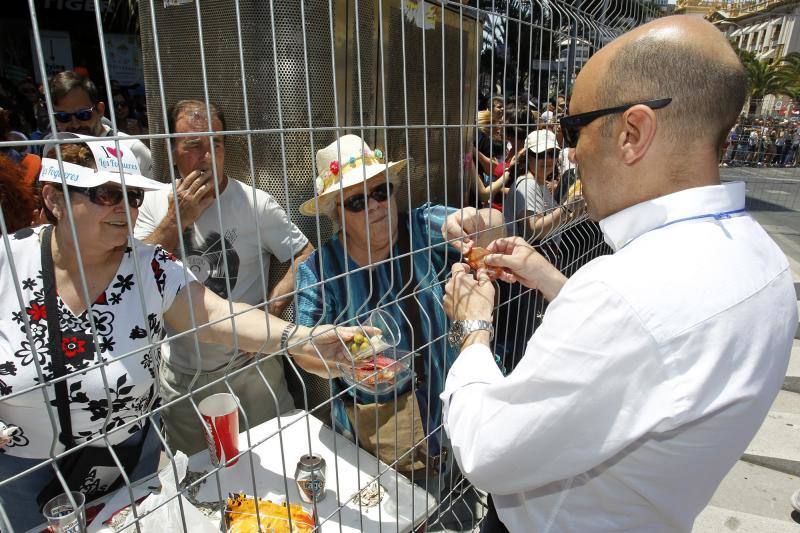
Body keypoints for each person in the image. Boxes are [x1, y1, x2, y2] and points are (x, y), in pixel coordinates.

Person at [439, 16, 796, 532]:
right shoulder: (760, 258)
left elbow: (489, 451)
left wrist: (472, 328)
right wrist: (550, 279)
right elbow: (657, 354)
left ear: (632, 132)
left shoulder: (627, 292)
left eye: (573, 129)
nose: (569, 152)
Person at [0, 137, 360, 530]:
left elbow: (217, 315)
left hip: (128, 469)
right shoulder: (7, 261)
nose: (126, 207)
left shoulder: (150, 266)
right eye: (106, 193)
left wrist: (302, 337)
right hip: (27, 479)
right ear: (54, 199)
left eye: (134, 196)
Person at [294, 135, 504, 507]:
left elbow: (493, 222)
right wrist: (340, 357)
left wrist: (474, 223)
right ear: (336, 215)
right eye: (357, 201)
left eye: (381, 191)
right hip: (377, 443)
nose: (375, 205)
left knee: (455, 509)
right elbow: (301, 348)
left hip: (453, 418)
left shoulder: (422, 226)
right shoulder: (320, 270)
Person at [133, 99, 315, 455]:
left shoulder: (255, 204)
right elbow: (135, 276)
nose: (206, 156)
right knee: (200, 481)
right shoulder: (154, 205)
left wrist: (271, 311)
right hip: (182, 378)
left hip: (249, 373)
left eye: (215, 143)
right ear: (171, 154)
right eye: (193, 146)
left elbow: (305, 255)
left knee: (276, 462)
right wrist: (176, 221)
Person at [48, 71, 152, 177]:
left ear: (100, 110)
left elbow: (159, 192)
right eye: (63, 116)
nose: (75, 124)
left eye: (83, 114)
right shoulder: (52, 147)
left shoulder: (131, 149)